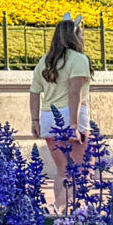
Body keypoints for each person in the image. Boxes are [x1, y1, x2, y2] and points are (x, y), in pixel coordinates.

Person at [29, 15, 91, 211]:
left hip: (48, 116)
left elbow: (34, 92)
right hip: (71, 116)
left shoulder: (45, 61)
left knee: (61, 170)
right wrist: (73, 124)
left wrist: (35, 120)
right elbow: (75, 94)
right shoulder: (79, 60)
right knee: (77, 169)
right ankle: (63, 209)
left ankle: (59, 211)